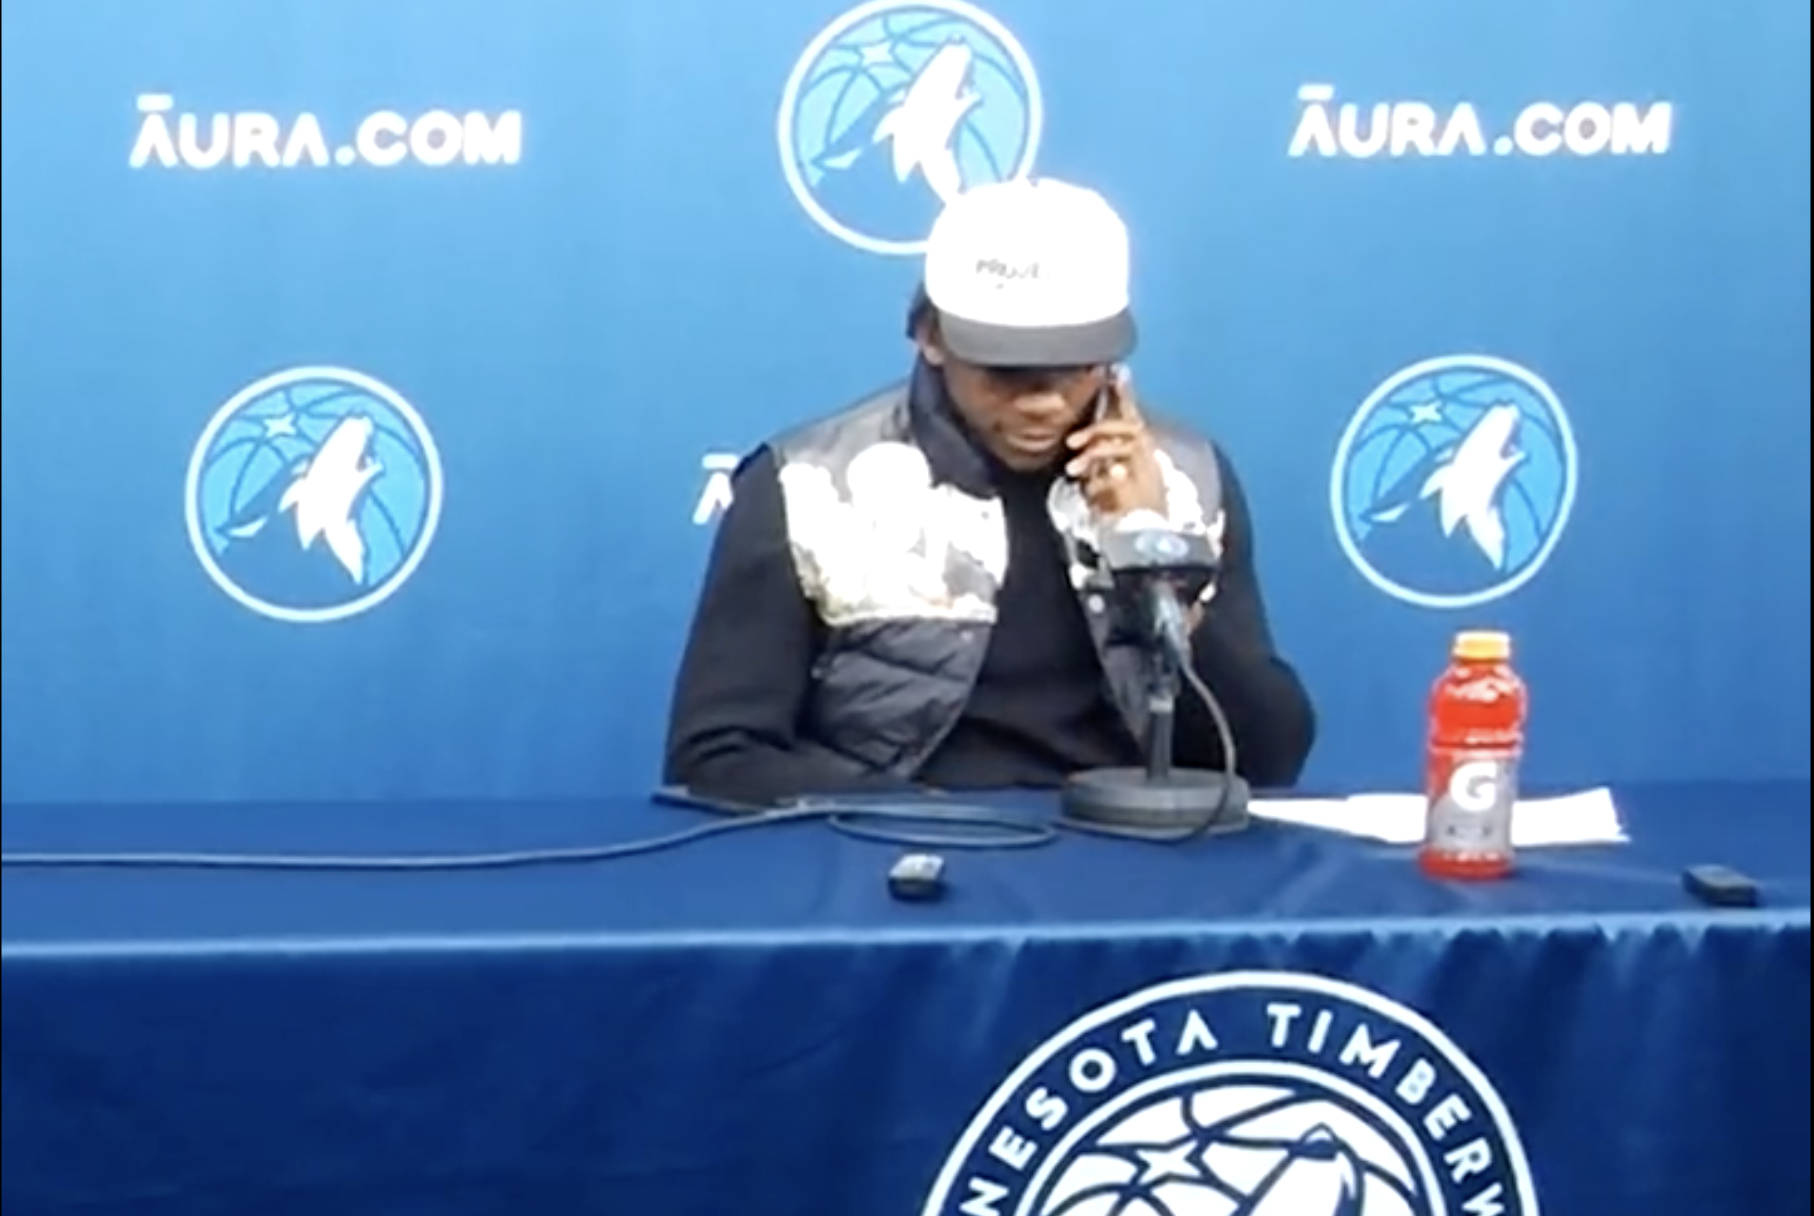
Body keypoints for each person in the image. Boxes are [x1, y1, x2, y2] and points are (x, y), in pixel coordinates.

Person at [664, 178, 1314, 804]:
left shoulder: (1188, 477)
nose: (1043, 401)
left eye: (1074, 366)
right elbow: (717, 756)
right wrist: (926, 817)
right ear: (930, 336)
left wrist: (1154, 552)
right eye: (1007, 369)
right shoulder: (806, 483)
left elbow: (1269, 757)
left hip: (1127, 846)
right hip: (892, 849)